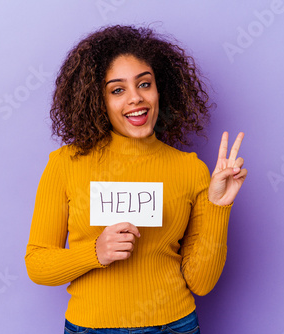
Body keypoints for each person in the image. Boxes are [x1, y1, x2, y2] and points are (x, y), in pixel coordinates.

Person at [25, 25, 247, 333]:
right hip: (90, 327)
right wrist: (95, 253)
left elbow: (201, 282)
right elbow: (37, 264)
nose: (135, 99)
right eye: (118, 90)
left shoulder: (190, 169)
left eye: (144, 84)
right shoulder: (65, 164)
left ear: (160, 90)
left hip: (174, 325)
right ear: (97, 99)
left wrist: (218, 205)